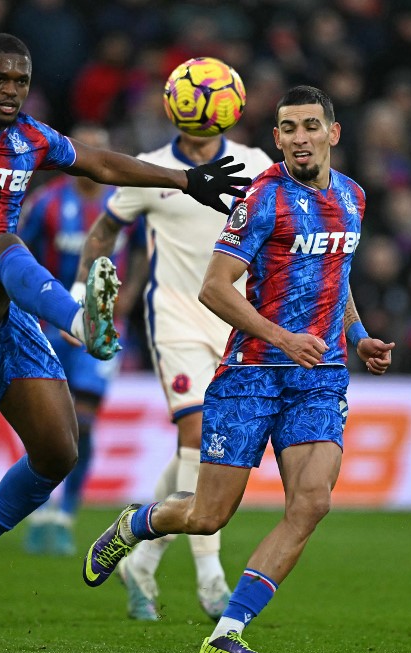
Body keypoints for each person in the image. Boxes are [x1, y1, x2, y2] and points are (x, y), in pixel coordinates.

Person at [0, 33, 248, 629]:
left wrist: (186, 181)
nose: (11, 90)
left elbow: (102, 162)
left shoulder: (31, 138)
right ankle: (81, 320)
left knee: (58, 449)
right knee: (6, 245)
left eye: (20, 81)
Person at [82, 86, 395, 653]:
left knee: (312, 504)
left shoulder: (353, 197)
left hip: (319, 376)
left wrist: (357, 337)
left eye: (310, 126)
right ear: (275, 139)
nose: (300, 138)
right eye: (288, 129)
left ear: (333, 132)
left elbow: (337, 275)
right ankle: (139, 522)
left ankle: (227, 631)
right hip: (253, 372)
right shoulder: (263, 198)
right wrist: (280, 337)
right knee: (206, 516)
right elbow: (214, 286)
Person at [74, 120, 272, 619]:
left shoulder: (255, 164)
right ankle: (211, 579)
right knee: (198, 431)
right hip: (175, 319)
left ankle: (140, 557)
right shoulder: (152, 168)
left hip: (236, 319)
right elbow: (104, 229)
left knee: (210, 445)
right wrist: (80, 298)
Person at [18, 123, 147, 556]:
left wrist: (128, 296)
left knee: (85, 418)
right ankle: (39, 506)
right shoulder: (48, 203)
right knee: (49, 420)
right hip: (52, 325)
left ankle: (66, 513)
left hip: (104, 325)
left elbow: (145, 250)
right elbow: (17, 251)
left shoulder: (124, 203)